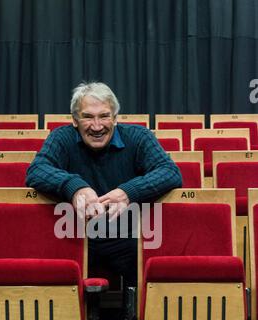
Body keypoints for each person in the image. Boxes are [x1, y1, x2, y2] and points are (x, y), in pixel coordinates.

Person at [26, 81, 182, 290]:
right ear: (75, 120)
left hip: (128, 237)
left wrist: (128, 192)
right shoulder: (61, 138)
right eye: (88, 117)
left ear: (115, 118)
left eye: (104, 116)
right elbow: (36, 170)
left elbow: (170, 172)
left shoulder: (138, 137)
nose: (97, 126)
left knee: (151, 265)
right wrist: (75, 187)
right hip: (74, 236)